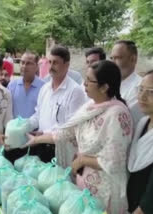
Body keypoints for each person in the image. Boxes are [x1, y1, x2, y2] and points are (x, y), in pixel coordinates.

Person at [25, 60, 133, 214]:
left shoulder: (117, 115)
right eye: (85, 78)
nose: (84, 84)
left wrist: (82, 160)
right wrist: (36, 140)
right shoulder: (89, 107)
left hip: (104, 191)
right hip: (84, 184)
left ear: (104, 87)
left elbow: (114, 160)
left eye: (90, 81)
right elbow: (64, 133)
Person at [28, 45, 86, 162]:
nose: (51, 66)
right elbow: (38, 115)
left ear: (67, 65)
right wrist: (25, 125)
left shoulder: (75, 92)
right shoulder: (44, 88)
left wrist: (44, 133)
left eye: (55, 63)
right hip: (40, 145)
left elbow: (70, 129)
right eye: (49, 62)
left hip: (61, 150)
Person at [4, 51, 45, 163]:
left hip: (33, 141)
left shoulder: (44, 88)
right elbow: (7, 112)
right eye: (22, 62)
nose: (24, 66)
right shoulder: (12, 85)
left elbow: (43, 114)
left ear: (37, 66)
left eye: (28, 63)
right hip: (14, 141)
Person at [127, 70, 153, 214]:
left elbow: (150, 199)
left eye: (151, 92)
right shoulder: (142, 123)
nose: (142, 96)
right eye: (141, 89)